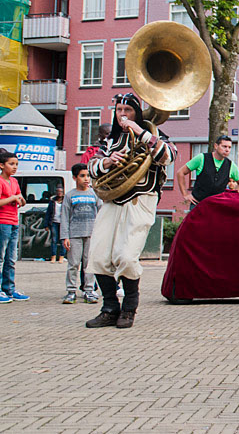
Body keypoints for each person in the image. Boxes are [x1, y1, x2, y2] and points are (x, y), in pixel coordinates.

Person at [86, 93, 176, 329]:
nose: (123, 114)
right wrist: (107, 162)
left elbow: (168, 156)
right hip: (112, 201)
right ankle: (109, 308)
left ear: (137, 111)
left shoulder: (154, 134)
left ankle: (129, 309)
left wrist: (139, 130)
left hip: (140, 200)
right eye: (119, 110)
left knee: (126, 256)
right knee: (97, 256)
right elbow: (91, 167)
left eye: (128, 110)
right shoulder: (110, 140)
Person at [60, 163, 101, 304]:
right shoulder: (70, 196)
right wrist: (65, 236)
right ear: (75, 177)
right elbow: (64, 217)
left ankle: (89, 290)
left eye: (88, 176)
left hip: (91, 234)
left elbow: (101, 213)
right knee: (73, 264)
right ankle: (71, 291)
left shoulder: (95, 194)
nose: (86, 179)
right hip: (75, 235)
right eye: (82, 176)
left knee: (89, 264)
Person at [177, 135, 239, 208]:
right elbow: (180, 172)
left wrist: (231, 197)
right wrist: (185, 194)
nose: (227, 150)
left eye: (229, 147)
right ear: (216, 146)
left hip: (218, 207)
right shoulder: (201, 158)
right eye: (224, 146)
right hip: (198, 204)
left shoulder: (231, 165)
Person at [0, 151, 28, 303]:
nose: (14, 167)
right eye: (11, 164)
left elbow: (21, 199)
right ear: (2, 165)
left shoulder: (15, 182)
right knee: (1, 257)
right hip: (2, 222)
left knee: (11, 258)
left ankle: (9, 289)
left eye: (16, 164)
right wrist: (12, 198)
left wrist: (21, 200)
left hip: (14, 222)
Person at [44, 186, 66, 263]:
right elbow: (48, 213)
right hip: (54, 222)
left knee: (63, 240)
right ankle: (53, 256)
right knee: (54, 240)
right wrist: (46, 224)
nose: (59, 193)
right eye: (58, 191)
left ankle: (61, 256)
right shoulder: (52, 201)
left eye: (61, 191)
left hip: (63, 223)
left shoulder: (65, 201)